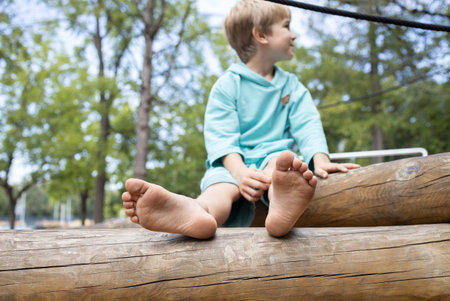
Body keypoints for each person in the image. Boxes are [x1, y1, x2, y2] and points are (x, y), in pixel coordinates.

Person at [122, 0, 360, 239]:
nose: (294, 35)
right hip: (232, 165)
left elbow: (307, 122)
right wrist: (240, 174)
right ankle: (197, 212)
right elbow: (221, 137)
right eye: (287, 26)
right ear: (261, 35)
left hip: (273, 160)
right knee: (220, 190)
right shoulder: (228, 85)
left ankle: (282, 207)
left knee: (283, 169)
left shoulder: (292, 86)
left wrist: (319, 159)